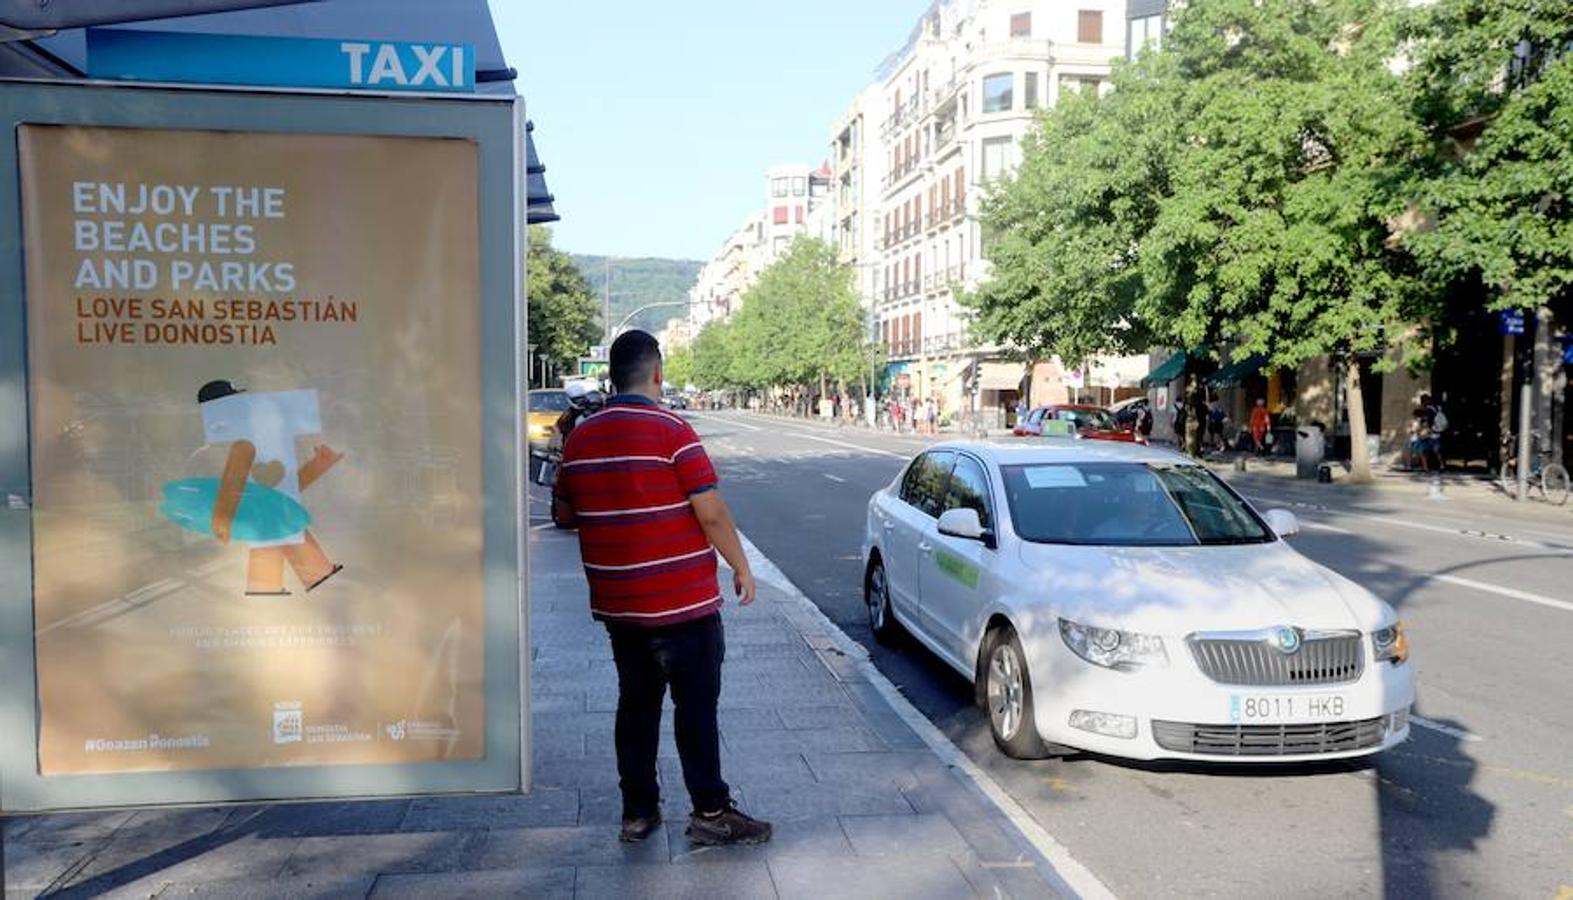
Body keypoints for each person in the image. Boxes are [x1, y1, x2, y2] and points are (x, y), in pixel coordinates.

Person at [554, 330, 772, 847]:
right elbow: (711, 511)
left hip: (620, 607)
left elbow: (564, 514)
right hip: (683, 604)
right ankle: (711, 811)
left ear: (612, 374)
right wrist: (740, 566)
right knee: (695, 709)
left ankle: (638, 812)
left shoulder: (580, 439)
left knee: (636, 706)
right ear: (656, 372)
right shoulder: (673, 430)